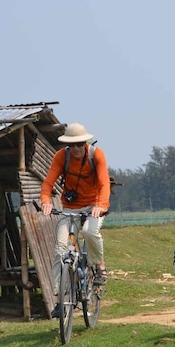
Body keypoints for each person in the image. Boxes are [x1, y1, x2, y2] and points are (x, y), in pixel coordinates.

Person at [40, 122, 111, 318]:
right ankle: (59, 298)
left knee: (89, 231)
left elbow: (105, 183)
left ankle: (99, 267)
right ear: (67, 146)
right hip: (70, 208)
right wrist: (46, 201)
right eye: (73, 145)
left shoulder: (96, 155)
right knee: (60, 248)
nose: (77, 148)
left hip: (94, 206)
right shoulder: (61, 157)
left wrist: (101, 205)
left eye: (81, 144)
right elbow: (48, 183)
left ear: (86, 142)